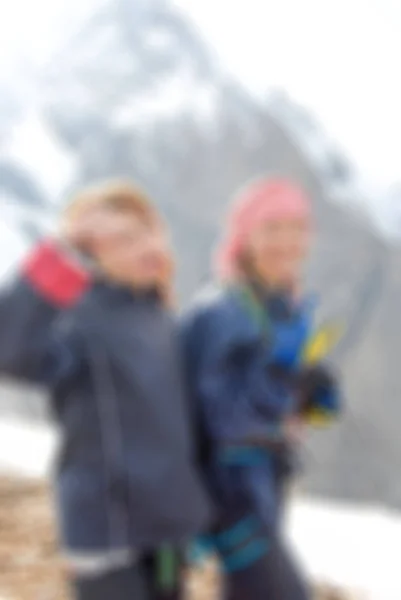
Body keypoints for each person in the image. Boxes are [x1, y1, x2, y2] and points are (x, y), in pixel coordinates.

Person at [0, 181, 212, 600]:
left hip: (169, 531)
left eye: (149, 230)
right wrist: (64, 252)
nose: (146, 244)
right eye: (125, 238)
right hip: (109, 533)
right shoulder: (78, 320)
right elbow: (9, 350)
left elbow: (184, 421)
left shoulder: (160, 316)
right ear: (93, 253)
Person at [182, 177, 341, 600]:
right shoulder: (222, 311)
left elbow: (269, 395)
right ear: (244, 236)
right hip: (230, 489)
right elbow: (221, 413)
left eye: (297, 228)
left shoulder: (280, 304)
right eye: (271, 228)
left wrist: (315, 394)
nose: (286, 241)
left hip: (264, 479)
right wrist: (290, 384)